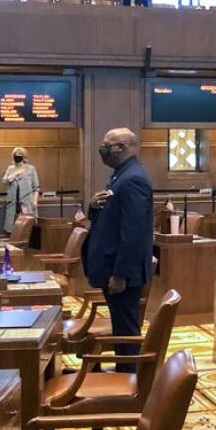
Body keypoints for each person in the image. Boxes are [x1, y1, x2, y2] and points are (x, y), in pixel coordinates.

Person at [83, 128, 154, 372]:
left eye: (107, 145)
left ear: (122, 147)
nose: (103, 149)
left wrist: (121, 273)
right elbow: (111, 216)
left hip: (122, 272)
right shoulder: (120, 176)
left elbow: (133, 232)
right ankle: (124, 374)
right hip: (114, 267)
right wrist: (93, 206)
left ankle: (129, 382)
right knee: (121, 326)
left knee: (126, 331)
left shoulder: (133, 178)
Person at [2, 147, 39, 234]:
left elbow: (36, 187)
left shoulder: (31, 169)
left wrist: (35, 200)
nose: (17, 157)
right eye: (15, 155)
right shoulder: (10, 168)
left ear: (24, 157)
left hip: (27, 202)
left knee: (28, 228)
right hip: (13, 202)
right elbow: (4, 181)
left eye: (19, 155)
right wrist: (15, 173)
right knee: (12, 228)